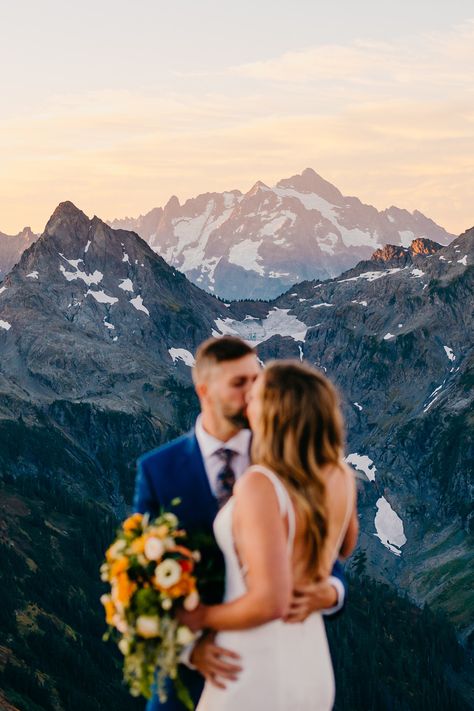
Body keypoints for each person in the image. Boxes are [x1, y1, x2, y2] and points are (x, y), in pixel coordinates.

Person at [134, 338, 348, 710]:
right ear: (204, 389)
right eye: (239, 383)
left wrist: (330, 590)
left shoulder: (282, 458)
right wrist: (187, 648)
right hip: (190, 679)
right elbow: (139, 575)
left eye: (256, 379)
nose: (251, 393)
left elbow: (321, 548)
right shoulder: (158, 469)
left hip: (274, 661)